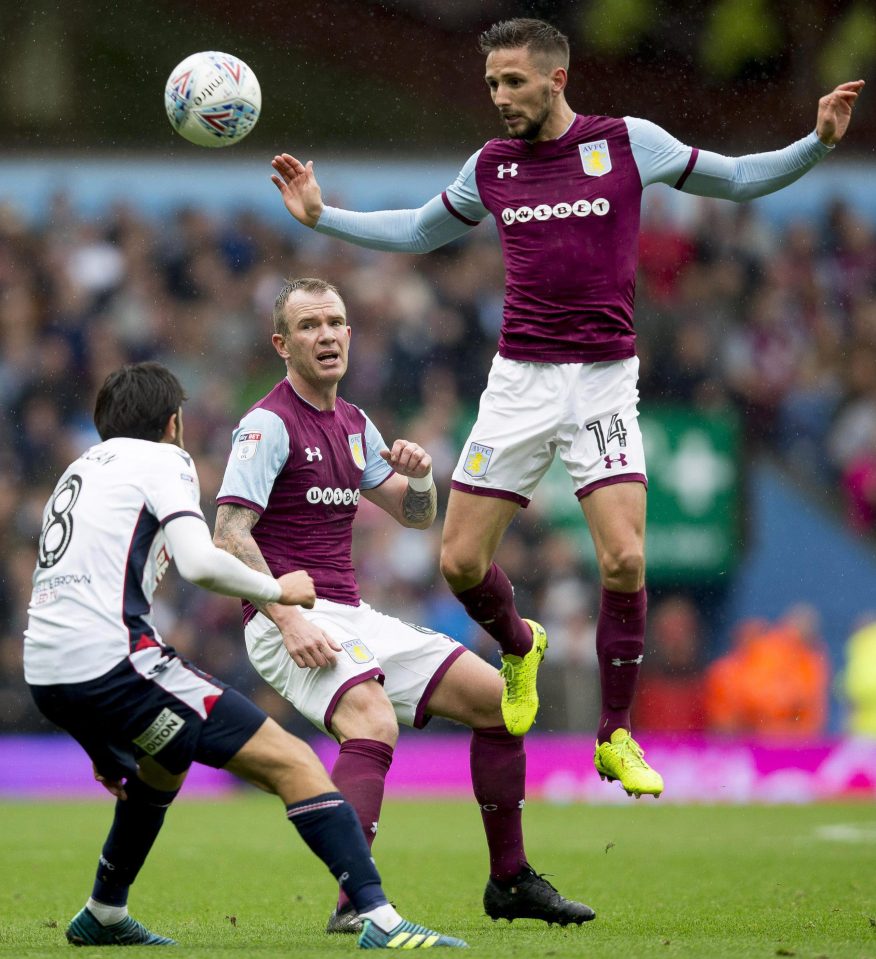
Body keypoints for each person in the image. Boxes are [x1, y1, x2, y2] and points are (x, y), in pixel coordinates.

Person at [269, 17, 864, 798]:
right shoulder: (492, 165)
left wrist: (815, 142)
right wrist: (323, 217)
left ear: (557, 78)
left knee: (624, 557)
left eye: (513, 82)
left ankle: (615, 735)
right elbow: (418, 230)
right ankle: (520, 644)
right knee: (458, 563)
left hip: (604, 382)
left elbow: (737, 177)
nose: (499, 97)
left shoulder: (625, 142)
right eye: (490, 84)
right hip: (519, 382)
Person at [23, 361, 465, 950]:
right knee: (295, 763)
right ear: (175, 423)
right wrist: (278, 590)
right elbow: (201, 562)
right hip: (113, 659)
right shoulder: (164, 460)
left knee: (164, 761)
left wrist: (95, 737)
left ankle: (104, 910)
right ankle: (380, 920)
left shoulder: (79, 469)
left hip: (47, 666)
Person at [213, 277, 594, 934]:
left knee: (495, 704)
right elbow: (227, 534)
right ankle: (356, 900)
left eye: (335, 322)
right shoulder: (267, 424)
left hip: (348, 612)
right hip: (285, 619)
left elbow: (417, 515)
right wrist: (285, 613)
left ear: (351, 335)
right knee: (371, 720)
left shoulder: (357, 423)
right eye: (308, 326)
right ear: (281, 343)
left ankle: (509, 879)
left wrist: (419, 474)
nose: (326, 335)